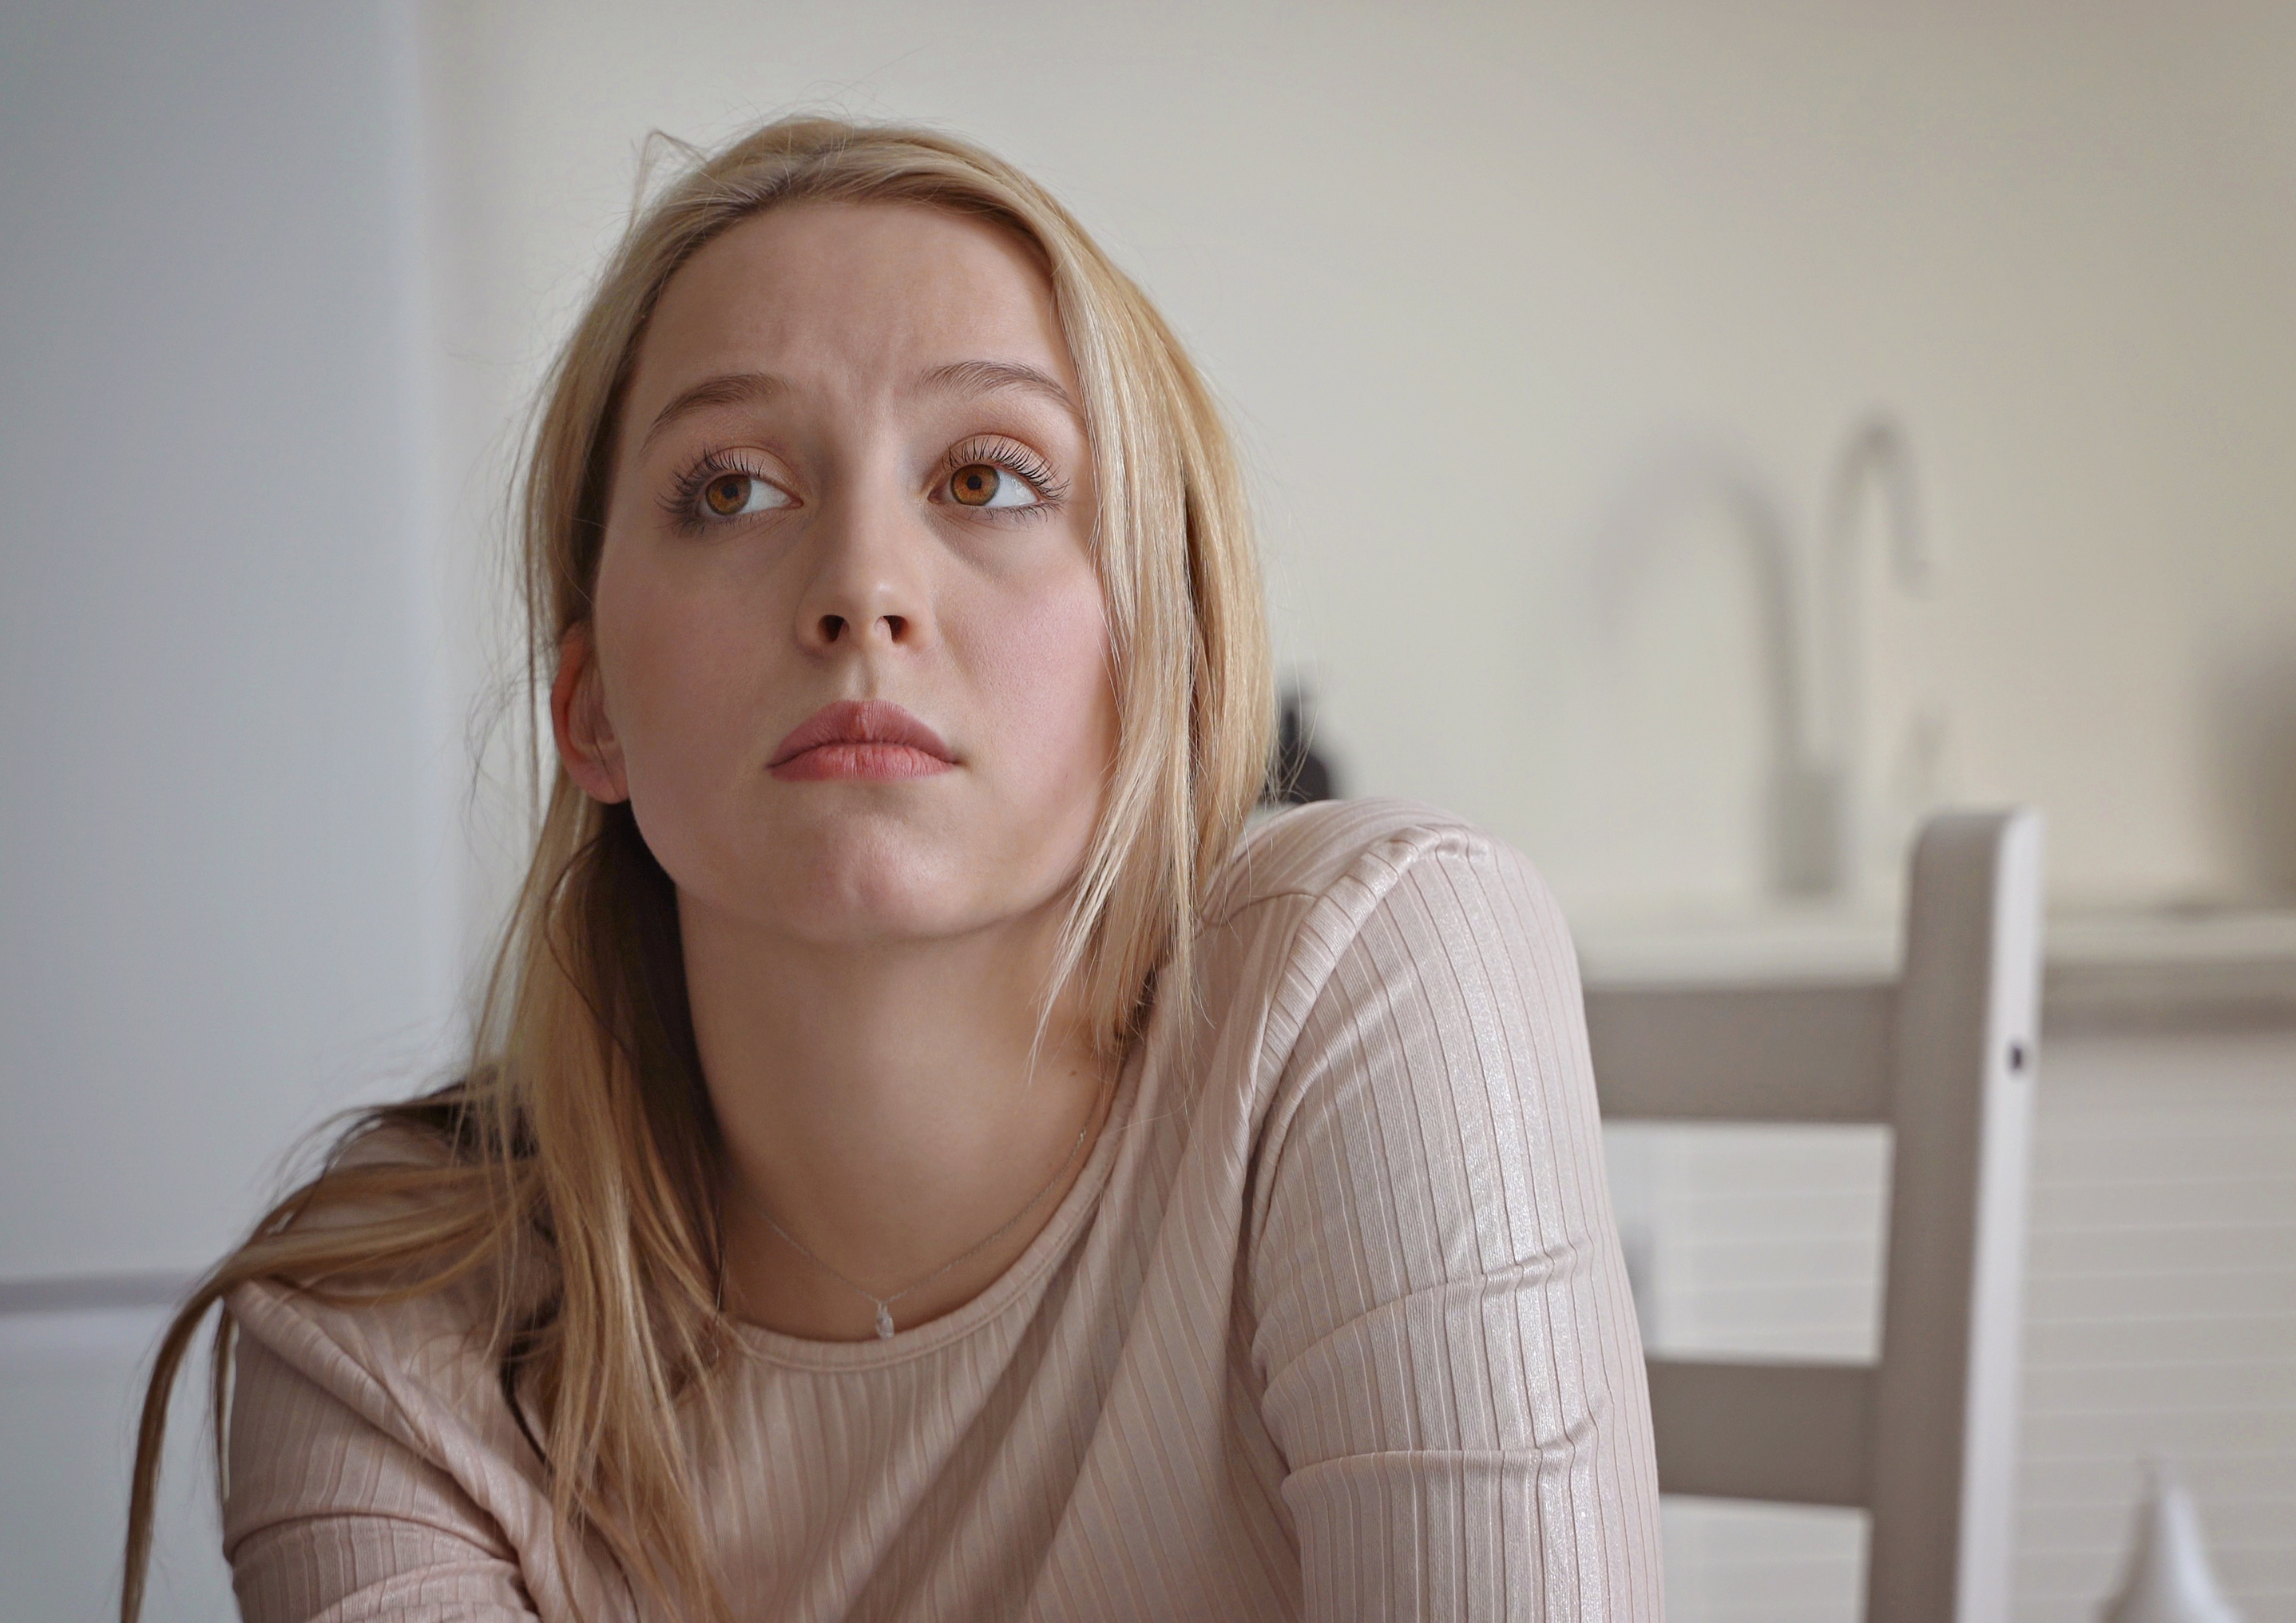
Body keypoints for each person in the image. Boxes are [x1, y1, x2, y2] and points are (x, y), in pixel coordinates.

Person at [121, 115, 1662, 1622]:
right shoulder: (383, 1333)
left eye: (988, 479)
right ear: (591, 711)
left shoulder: (1377, 970)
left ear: (1169, 665)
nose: (861, 584)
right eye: (730, 489)